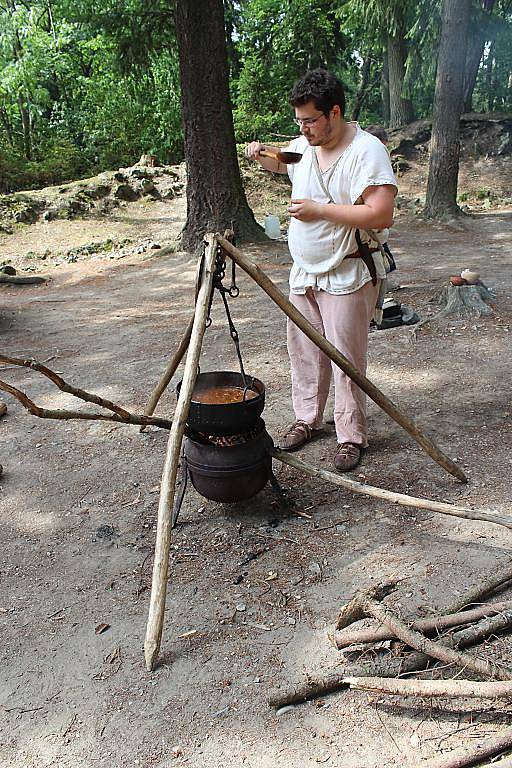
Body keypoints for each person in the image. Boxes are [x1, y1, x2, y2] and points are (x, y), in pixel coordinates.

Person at [245, 69, 397, 472]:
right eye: (299, 121)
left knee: (346, 358)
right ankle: (307, 419)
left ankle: (350, 435)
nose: (304, 129)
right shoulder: (305, 145)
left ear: (334, 112)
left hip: (347, 273)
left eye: (311, 120)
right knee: (305, 353)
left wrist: (319, 211)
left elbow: (381, 214)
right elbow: (285, 162)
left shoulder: (367, 151)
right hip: (305, 272)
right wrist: (261, 155)